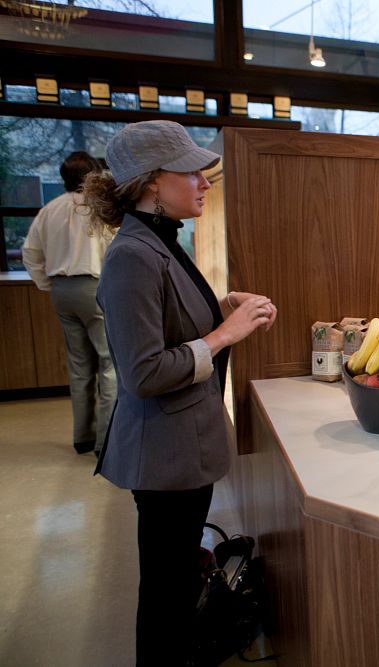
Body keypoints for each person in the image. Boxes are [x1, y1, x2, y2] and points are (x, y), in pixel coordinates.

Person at [83, 120, 277, 666]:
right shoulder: (132, 255)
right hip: (164, 456)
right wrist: (224, 334)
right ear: (152, 181)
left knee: (175, 579)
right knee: (165, 593)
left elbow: (171, 325)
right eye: (192, 172)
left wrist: (223, 307)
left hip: (180, 449)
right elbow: (144, 372)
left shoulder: (160, 239)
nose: (205, 182)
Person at [22, 151, 117, 455]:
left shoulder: (48, 210)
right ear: (93, 176)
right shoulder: (97, 208)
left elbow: (30, 253)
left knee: (79, 366)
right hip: (94, 288)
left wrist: (47, 283)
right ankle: (106, 442)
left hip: (61, 292)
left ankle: (83, 437)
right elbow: (115, 250)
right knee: (109, 364)